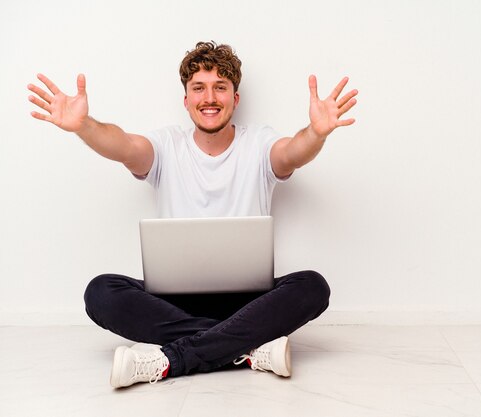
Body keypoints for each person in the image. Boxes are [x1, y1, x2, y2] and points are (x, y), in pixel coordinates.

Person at [27, 41, 358, 388]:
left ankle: (171, 358)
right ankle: (247, 349)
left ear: (236, 98)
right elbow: (123, 144)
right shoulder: (166, 146)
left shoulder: (259, 143)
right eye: (198, 88)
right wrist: (85, 127)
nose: (209, 98)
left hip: (248, 302)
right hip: (173, 303)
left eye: (221, 87)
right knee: (101, 292)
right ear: (186, 100)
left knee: (312, 286)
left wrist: (316, 134)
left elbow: (292, 152)